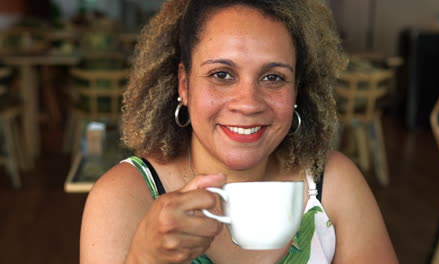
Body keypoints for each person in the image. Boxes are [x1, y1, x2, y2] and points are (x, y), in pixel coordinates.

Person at [80, 0, 399, 263]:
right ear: (184, 85)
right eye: (222, 74)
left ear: (297, 91)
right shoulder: (124, 197)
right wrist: (145, 258)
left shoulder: (333, 183)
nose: (248, 104)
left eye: (273, 78)